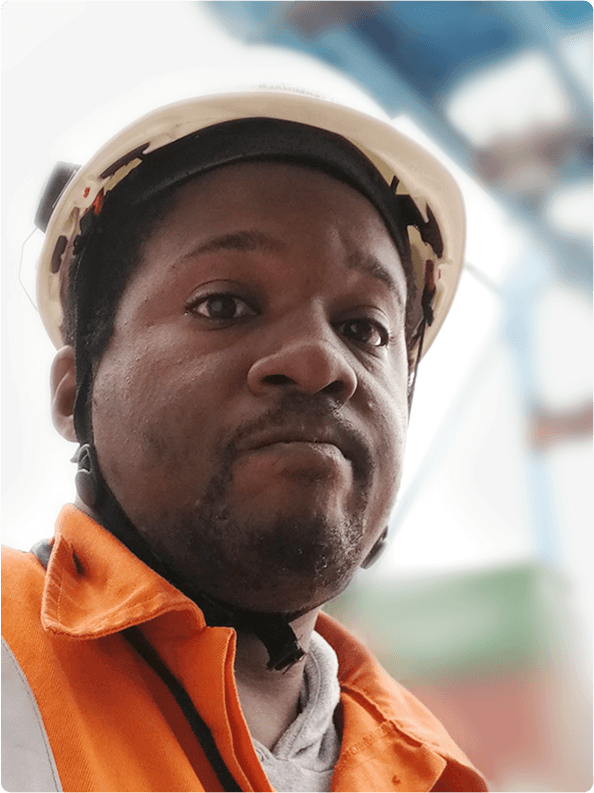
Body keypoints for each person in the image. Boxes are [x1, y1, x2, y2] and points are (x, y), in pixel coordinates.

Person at [2, 89, 487, 793]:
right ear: (75, 391)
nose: (320, 361)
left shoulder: (440, 775)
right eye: (223, 305)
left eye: (365, 329)